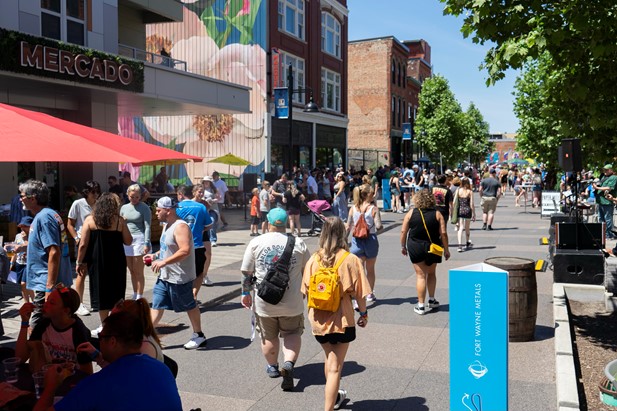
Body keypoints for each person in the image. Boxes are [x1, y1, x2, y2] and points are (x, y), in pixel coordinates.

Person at [34, 312, 182, 411]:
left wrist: (50, 387)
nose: (99, 341)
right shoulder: (162, 369)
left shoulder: (98, 383)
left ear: (112, 341)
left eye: (101, 337)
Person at [302, 217, 370, 411]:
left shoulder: (313, 259)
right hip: (342, 318)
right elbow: (361, 294)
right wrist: (363, 314)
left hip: (318, 319)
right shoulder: (350, 259)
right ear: (343, 234)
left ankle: (334, 398)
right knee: (335, 367)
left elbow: (305, 289)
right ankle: (328, 408)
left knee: (329, 358)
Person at [240, 208, 310, 391]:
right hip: (292, 300)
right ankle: (288, 363)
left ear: (268, 222)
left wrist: (245, 293)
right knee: (292, 333)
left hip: (265, 301)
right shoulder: (299, 243)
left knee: (268, 335)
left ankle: (272, 366)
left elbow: (247, 272)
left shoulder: (256, 242)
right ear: (286, 222)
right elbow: (308, 271)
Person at [143, 197, 207, 350]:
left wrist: (164, 262)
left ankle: (199, 335)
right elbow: (167, 247)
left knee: (189, 305)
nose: (156, 213)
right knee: (157, 305)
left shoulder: (180, 227)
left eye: (159, 210)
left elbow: (184, 250)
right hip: (165, 275)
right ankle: (146, 337)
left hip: (179, 276)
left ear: (168, 210)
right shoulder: (167, 225)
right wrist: (156, 256)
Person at [77, 193, 132, 336]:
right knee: (116, 291)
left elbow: (83, 244)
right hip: (117, 261)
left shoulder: (90, 220)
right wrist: (124, 224)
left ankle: (104, 325)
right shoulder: (119, 221)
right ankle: (114, 324)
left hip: (97, 261)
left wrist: (79, 261)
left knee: (101, 292)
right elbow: (128, 241)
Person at [20, 180, 73, 329]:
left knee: (37, 328)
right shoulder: (48, 214)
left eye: (22, 195)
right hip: (49, 282)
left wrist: (49, 287)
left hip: (47, 284)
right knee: (51, 327)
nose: (20, 198)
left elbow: (54, 252)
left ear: (33, 198)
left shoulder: (44, 217)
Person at [16, 284, 92, 374]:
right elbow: (20, 358)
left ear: (66, 311)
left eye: (51, 303)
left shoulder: (78, 332)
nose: (45, 304)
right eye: (47, 300)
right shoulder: (44, 324)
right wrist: (24, 323)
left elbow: (87, 373)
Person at [401, 190, 450, 315]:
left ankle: (421, 305)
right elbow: (443, 233)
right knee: (432, 273)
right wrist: (446, 249)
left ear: (417, 200)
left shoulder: (411, 213)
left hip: (415, 246)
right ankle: (432, 299)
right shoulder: (437, 214)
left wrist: (403, 245)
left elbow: (403, 231)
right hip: (433, 247)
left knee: (420, 275)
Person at [78, 298, 163, 363]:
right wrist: (97, 356)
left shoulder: (142, 348)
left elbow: (124, 377)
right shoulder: (134, 338)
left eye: (113, 321)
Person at [67, 181, 101, 316]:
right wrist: (76, 238)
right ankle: (79, 303)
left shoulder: (99, 204)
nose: (96, 195)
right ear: (87, 192)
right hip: (83, 240)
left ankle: (97, 301)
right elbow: (70, 224)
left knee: (96, 271)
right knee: (81, 271)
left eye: (97, 191)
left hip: (97, 239)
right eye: (94, 192)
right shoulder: (78, 203)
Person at [175, 185, 213, 300]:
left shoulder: (176, 207)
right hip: (196, 244)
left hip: (180, 245)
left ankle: (184, 295)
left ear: (180, 194)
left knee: (182, 272)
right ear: (193, 192)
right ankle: (193, 295)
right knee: (198, 273)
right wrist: (201, 228)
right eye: (199, 191)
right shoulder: (201, 207)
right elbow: (209, 225)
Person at [346, 185, 382, 303]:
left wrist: (344, 239)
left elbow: (348, 226)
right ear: (367, 195)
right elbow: (378, 226)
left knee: (359, 271)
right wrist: (378, 226)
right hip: (370, 240)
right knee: (370, 270)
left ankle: (358, 297)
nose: (373, 196)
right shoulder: (373, 209)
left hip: (357, 241)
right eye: (372, 194)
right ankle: (369, 294)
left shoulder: (353, 208)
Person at [120, 184, 152, 300]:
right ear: (128, 195)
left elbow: (147, 226)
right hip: (126, 239)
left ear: (140, 196)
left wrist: (146, 242)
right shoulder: (123, 208)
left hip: (139, 238)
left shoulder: (144, 207)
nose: (134, 199)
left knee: (138, 270)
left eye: (137, 197)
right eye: (132, 197)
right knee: (131, 270)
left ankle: (140, 295)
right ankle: (134, 293)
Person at [7, 216, 35, 303]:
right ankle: (27, 304)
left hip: (29, 263)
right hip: (20, 262)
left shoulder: (33, 236)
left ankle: (35, 302)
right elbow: (15, 251)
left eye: (25, 226)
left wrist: (26, 239)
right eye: (21, 226)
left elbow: (33, 248)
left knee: (25, 283)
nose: (23, 228)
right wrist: (11, 262)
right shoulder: (18, 236)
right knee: (22, 286)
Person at [192, 184, 215, 286]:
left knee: (208, 254)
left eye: (202, 192)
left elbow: (208, 220)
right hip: (192, 232)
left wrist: (203, 229)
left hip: (203, 231)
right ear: (194, 192)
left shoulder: (204, 204)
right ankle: (193, 276)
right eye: (199, 192)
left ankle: (204, 275)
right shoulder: (189, 203)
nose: (201, 194)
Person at [594, 164, 617, 239]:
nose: (605, 171)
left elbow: (609, 188)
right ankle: (602, 234)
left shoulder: (614, 177)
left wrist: (597, 187)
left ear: (611, 170)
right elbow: (601, 186)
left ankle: (609, 235)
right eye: (604, 170)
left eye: (606, 170)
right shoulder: (604, 177)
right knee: (601, 219)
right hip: (600, 201)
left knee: (608, 219)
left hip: (607, 202)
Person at [454, 178, 476, 252]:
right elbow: (471, 204)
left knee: (460, 228)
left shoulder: (458, 190)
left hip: (460, 210)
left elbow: (454, 202)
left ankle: (459, 245)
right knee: (467, 228)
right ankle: (467, 242)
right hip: (467, 211)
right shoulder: (470, 192)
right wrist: (474, 213)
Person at [202, 176, 220, 248]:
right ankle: (206, 239)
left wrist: (213, 200)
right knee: (205, 225)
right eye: (205, 181)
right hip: (204, 209)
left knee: (212, 222)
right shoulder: (201, 189)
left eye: (207, 181)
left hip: (213, 208)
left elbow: (218, 198)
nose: (206, 183)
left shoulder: (214, 190)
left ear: (210, 182)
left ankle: (213, 239)